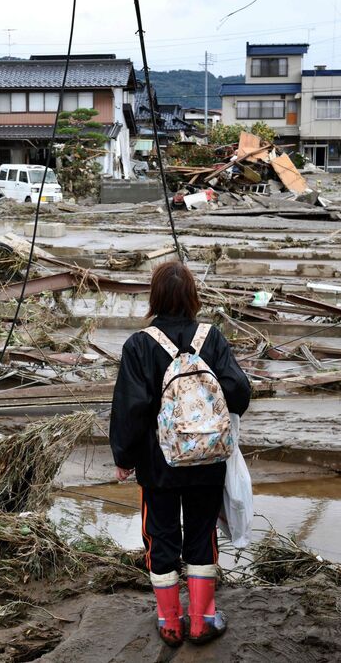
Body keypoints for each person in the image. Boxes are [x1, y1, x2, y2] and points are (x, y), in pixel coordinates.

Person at [109, 260, 251, 647]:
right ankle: (203, 619)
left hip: (159, 467)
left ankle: (170, 621)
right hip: (208, 459)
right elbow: (239, 392)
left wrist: (123, 458)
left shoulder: (139, 345)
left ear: (154, 298)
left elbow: (130, 408)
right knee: (203, 534)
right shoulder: (213, 338)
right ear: (192, 296)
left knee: (160, 536)